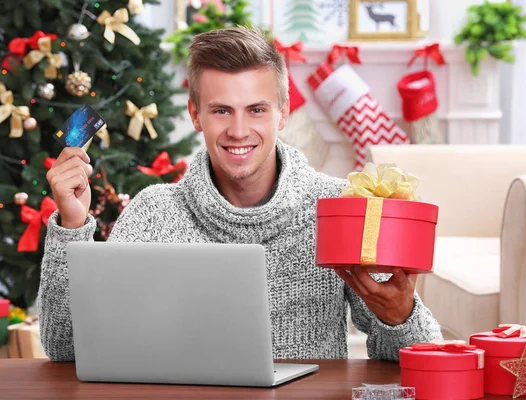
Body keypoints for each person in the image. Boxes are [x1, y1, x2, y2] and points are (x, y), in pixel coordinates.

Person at [38, 26, 442, 363]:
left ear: (283, 113)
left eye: (256, 109)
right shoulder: (153, 212)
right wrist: (72, 225)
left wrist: (399, 316)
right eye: (221, 111)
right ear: (196, 114)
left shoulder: (339, 210)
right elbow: (64, 348)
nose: (238, 130)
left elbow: (419, 356)